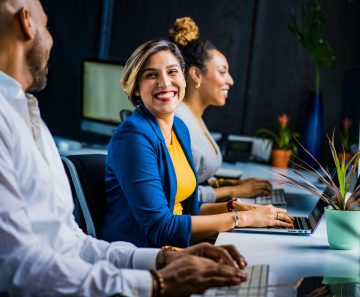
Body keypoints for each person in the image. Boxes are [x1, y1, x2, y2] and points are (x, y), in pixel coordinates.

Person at [0, 0, 249, 296]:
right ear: (27, 22)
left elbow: (71, 244)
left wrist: (165, 260)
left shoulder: (27, 114)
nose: (51, 39)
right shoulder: (7, 118)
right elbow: (16, 267)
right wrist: (157, 281)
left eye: (172, 72)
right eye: (47, 25)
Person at [101, 39, 294, 248]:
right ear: (136, 88)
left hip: (177, 248)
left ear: (184, 79)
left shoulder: (180, 128)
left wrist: (240, 209)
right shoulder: (133, 136)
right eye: (151, 75)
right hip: (140, 255)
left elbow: (188, 210)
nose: (165, 82)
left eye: (172, 72)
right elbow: (161, 227)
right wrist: (242, 219)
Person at [171, 17, 274, 203]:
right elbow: (181, 197)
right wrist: (235, 192)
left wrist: (230, 184)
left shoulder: (194, 117)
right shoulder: (179, 121)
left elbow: (197, 179)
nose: (230, 80)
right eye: (222, 71)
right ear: (196, 74)